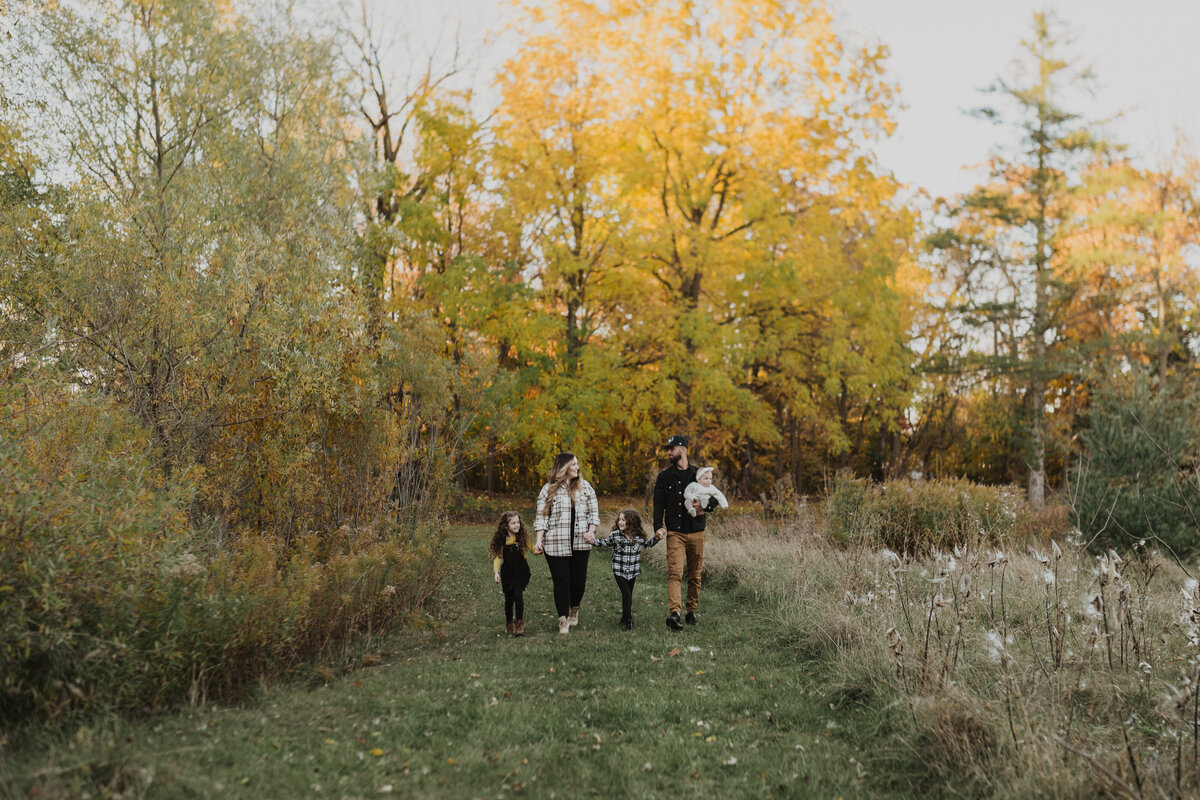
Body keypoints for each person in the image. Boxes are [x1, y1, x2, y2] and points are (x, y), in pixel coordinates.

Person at [653, 435, 720, 631]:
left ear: (682, 449)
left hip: (697, 532)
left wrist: (705, 505)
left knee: (695, 575)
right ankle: (675, 614)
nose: (668, 452)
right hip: (675, 533)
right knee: (675, 573)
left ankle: (691, 611)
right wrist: (658, 526)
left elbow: (715, 498)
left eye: (671, 449)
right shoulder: (664, 477)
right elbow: (658, 504)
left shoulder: (698, 474)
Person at [533, 452, 599, 634]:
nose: (577, 468)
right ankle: (563, 619)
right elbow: (541, 517)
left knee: (578, 581)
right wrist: (539, 541)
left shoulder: (586, 488)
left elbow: (593, 514)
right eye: (573, 465)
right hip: (555, 543)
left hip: (580, 543)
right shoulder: (548, 489)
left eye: (577, 464)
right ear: (563, 468)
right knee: (561, 581)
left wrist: (591, 531)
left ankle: (574, 609)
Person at [585, 509, 663, 630]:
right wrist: (592, 541)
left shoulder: (637, 537)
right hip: (619, 570)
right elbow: (605, 542)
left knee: (628, 595)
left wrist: (657, 538)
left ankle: (624, 617)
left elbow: (647, 544)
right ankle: (629, 620)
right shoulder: (616, 535)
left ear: (631, 522)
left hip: (633, 570)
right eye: (619, 519)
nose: (620, 522)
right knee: (626, 594)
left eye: (623, 520)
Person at [490, 511, 531, 636]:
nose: (517, 525)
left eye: (518, 522)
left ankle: (519, 624)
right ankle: (509, 623)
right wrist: (496, 572)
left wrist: (540, 549)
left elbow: (533, 549)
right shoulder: (502, 541)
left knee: (518, 595)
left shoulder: (523, 538)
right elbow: (498, 557)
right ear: (506, 526)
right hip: (508, 573)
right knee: (509, 599)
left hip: (521, 572)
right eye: (513, 523)